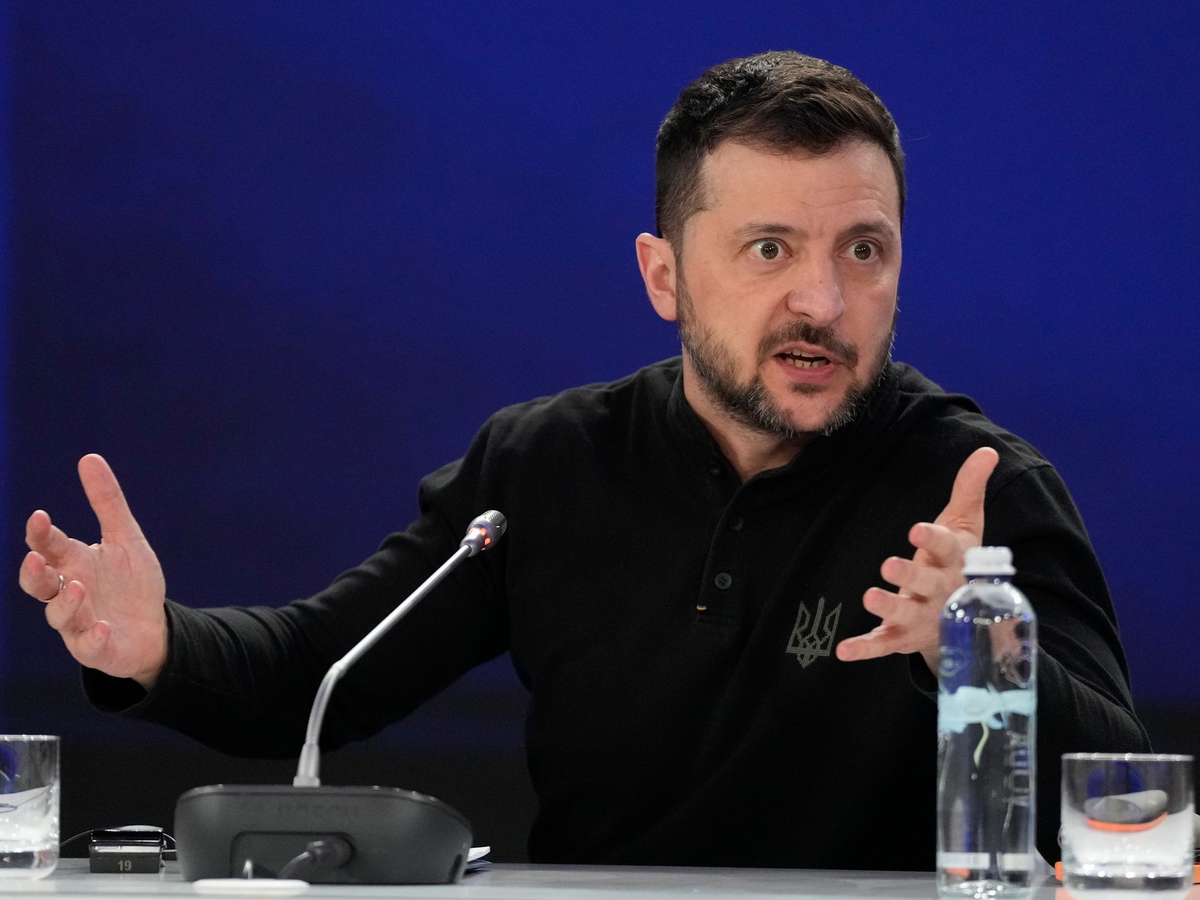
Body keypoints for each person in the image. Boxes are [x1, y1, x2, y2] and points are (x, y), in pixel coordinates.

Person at [19, 51, 1148, 870]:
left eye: (865, 250)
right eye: (769, 249)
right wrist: (158, 646)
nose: (823, 299)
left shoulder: (979, 491)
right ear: (664, 276)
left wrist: (983, 653)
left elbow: (1126, 807)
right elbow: (317, 678)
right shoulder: (543, 466)